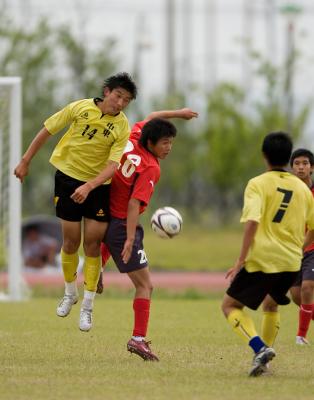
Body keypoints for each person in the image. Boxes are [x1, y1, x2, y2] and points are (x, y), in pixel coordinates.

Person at [14, 72, 137, 332]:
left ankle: (88, 307)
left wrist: (90, 186)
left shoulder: (122, 126)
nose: (120, 103)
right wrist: (26, 160)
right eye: (118, 96)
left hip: (98, 187)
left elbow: (114, 165)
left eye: (126, 100)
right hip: (68, 180)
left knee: (92, 245)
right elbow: (47, 130)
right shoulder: (79, 108)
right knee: (71, 242)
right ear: (106, 92)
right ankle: (70, 293)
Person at [98, 107, 198, 361]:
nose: (168, 148)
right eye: (165, 143)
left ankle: (94, 268)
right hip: (122, 225)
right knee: (145, 285)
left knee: (113, 248)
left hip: (105, 214)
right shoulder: (151, 167)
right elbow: (134, 204)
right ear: (151, 143)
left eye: (171, 143)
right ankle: (138, 339)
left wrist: (179, 113)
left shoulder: (133, 137)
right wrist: (131, 238)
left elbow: (152, 116)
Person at [221, 132, 314, 377]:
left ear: (264, 155)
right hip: (292, 262)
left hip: (263, 259)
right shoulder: (303, 189)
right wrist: (300, 250)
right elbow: (313, 227)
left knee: (230, 306)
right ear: (288, 158)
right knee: (271, 303)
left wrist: (240, 260)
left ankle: (259, 347)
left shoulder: (257, 183)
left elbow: (252, 221)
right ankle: (265, 361)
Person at [288, 149, 314, 344]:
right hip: (294, 248)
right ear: (292, 167)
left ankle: (301, 336)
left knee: (307, 287)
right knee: (296, 295)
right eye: (297, 163)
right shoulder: (288, 193)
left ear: (311, 168)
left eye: (305, 163)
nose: (301, 167)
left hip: (311, 247)